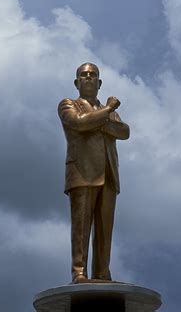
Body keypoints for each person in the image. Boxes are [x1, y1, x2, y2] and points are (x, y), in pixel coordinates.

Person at [58, 62, 130, 283]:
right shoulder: (68, 104)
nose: (88, 78)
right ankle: (79, 272)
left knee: (105, 228)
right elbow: (78, 123)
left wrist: (97, 121)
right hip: (82, 172)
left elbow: (124, 131)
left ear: (99, 83)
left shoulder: (106, 113)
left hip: (108, 174)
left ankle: (102, 273)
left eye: (93, 75)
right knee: (81, 227)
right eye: (84, 75)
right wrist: (107, 111)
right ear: (76, 82)